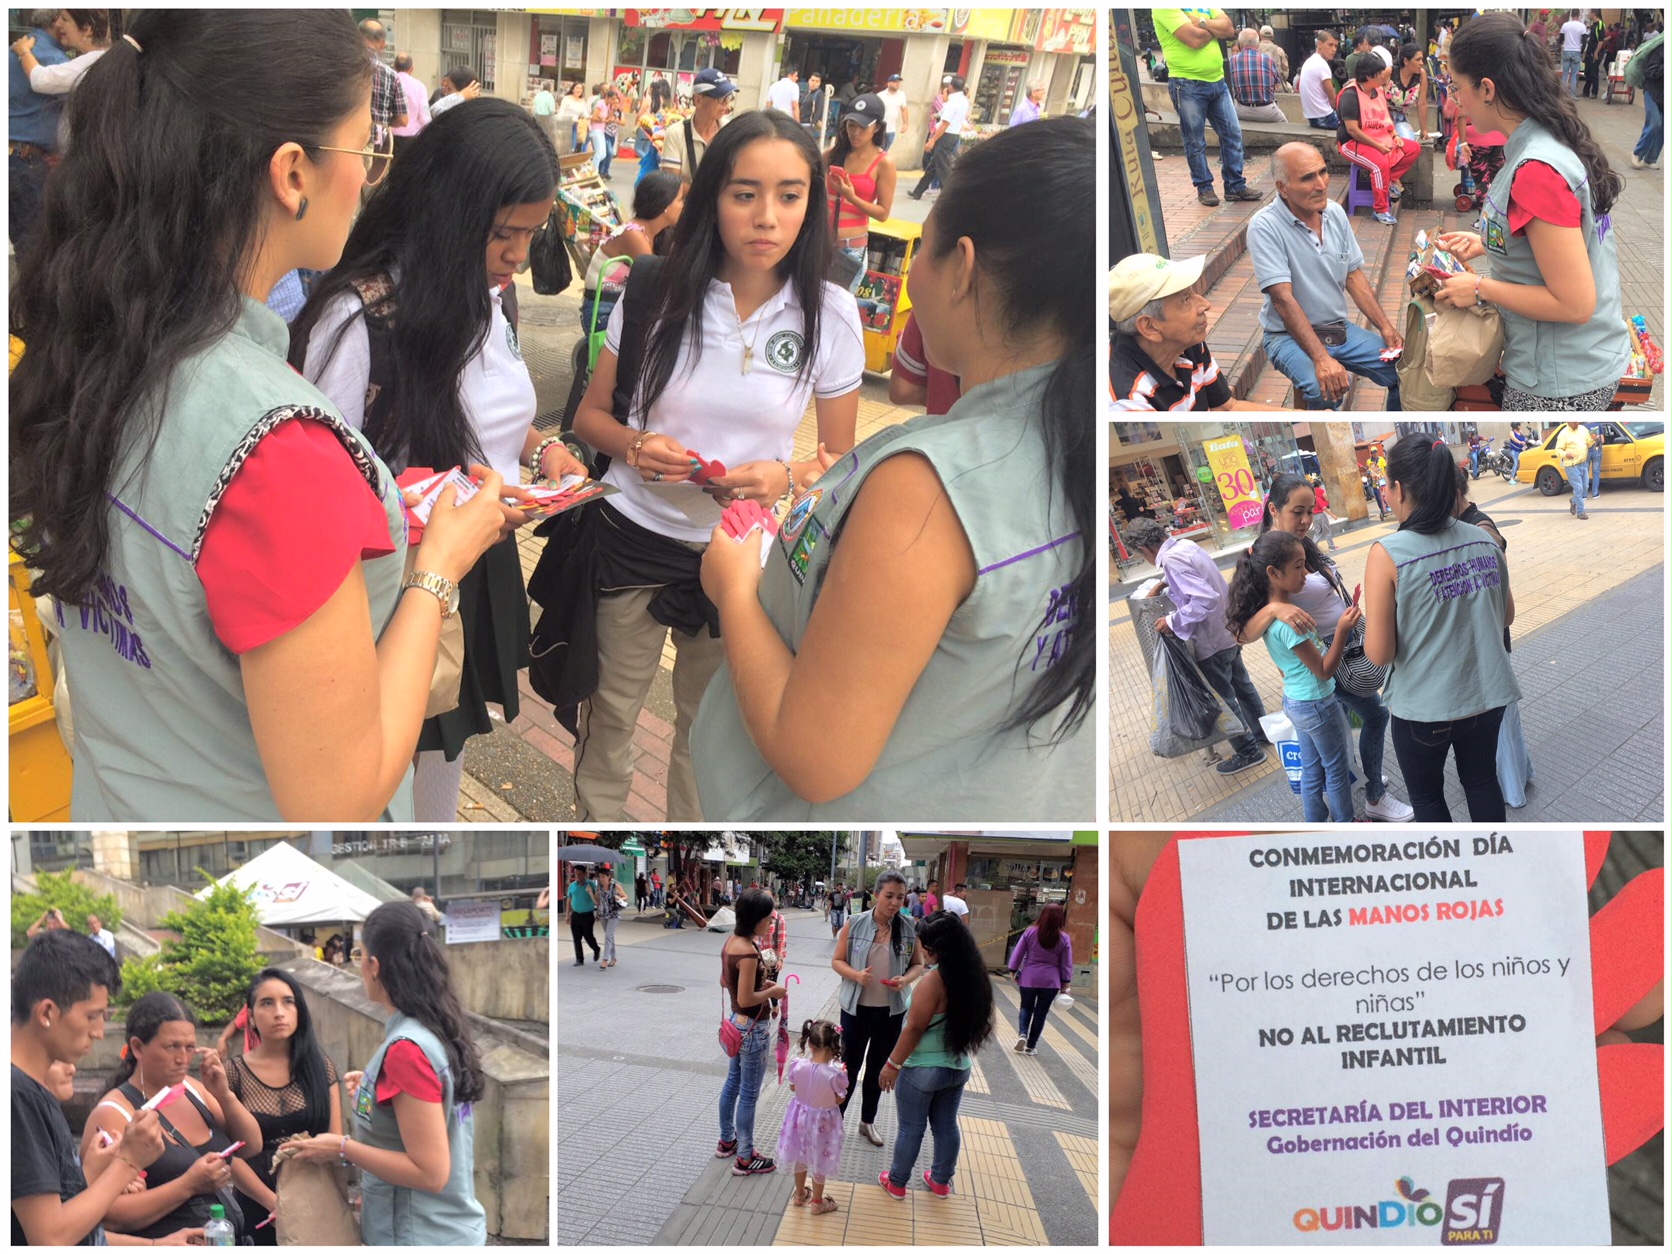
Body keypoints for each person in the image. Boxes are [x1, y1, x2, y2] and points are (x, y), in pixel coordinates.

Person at [10, 11, 510, 823]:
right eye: (365, 150)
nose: (369, 178)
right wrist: (438, 569)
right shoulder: (278, 448)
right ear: (292, 172)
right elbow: (340, 795)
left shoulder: (95, 346)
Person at [693, 119, 1094, 821]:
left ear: (962, 264)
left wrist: (733, 587)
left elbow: (815, 756)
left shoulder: (930, 484)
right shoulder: (1077, 442)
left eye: (928, 241)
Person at [535, 112, 860, 822]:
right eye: (745, 193)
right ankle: (600, 843)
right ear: (713, 196)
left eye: (789, 195)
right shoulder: (655, 288)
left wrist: (787, 476)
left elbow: (841, 461)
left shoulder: (829, 314)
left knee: (708, 731)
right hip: (629, 534)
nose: (766, 218)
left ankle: (688, 852)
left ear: (813, 203)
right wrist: (633, 446)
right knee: (612, 716)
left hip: (739, 552)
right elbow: (588, 419)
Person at [291, 100, 582, 821]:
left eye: (531, 233)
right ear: (447, 212)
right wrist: (432, 511)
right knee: (386, 748)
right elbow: (314, 494)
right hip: (390, 584)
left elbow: (489, 414)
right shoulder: (358, 321)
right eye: (503, 234)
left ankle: (434, 830)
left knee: (445, 737)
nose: (516, 255)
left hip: (470, 559)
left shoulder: (485, 295)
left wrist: (544, 449)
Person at [1433, 13, 1630, 411]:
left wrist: (1477, 289)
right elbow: (1560, 243)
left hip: (1560, 377)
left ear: (1487, 88)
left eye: (1457, 89)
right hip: (1580, 361)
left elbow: (1574, 303)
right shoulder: (1549, 137)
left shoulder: (1536, 169)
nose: (1457, 101)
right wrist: (1490, 242)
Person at [280, 900, 488, 1244]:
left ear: (374, 965)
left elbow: (430, 1172)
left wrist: (342, 1148)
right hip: (444, 1229)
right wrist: (374, 1089)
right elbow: (433, 1107)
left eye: (359, 956)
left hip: (419, 1235)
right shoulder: (434, 1027)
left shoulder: (407, 1048)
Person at [1232, 474, 1414, 821]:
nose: (1306, 520)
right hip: (1327, 656)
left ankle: (1358, 782)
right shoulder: (1269, 561)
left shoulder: (1296, 546)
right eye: (1297, 511)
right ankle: (1371, 796)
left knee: (1334, 743)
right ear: (1273, 509)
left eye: (1310, 511)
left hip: (1331, 654)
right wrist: (1273, 609)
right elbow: (1241, 633)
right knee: (1374, 716)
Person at [1362, 437, 1519, 822]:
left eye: (1387, 484)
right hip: (1486, 696)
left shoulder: (1388, 554)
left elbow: (1379, 654)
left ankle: (1454, 878)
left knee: (1429, 799)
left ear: (1398, 489)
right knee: (1482, 782)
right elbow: (1507, 616)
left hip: (1423, 710)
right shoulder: (1484, 540)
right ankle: (1495, 865)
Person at [11, 932, 189, 1246]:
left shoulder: (29, 1091)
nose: (99, 1032)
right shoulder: (18, 1096)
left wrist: (91, 1172)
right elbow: (49, 1237)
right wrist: (129, 1161)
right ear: (47, 1013)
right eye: (92, 1016)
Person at [83, 993, 264, 1243]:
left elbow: (251, 1145)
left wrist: (224, 1095)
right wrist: (188, 1185)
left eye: (190, 1047)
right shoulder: (114, 1112)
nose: (183, 1059)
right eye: (171, 1047)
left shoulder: (193, 1089)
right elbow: (105, 1213)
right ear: (137, 1047)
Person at [1249, 143, 1404, 409]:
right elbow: (1282, 300)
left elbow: (1353, 277)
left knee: (1405, 374)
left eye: (1323, 172)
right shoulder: (1264, 226)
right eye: (1308, 178)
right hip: (1285, 335)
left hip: (1336, 330)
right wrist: (1321, 359)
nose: (1321, 184)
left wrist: (1385, 326)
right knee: (1323, 390)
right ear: (1282, 188)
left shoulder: (1334, 213)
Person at [1225, 530, 1361, 822]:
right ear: (1274, 572)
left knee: (1312, 769)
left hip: (1296, 701)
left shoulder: (1272, 615)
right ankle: (1345, 827)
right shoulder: (1290, 623)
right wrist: (1342, 630)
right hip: (1318, 703)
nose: (1305, 573)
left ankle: (1314, 825)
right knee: (1336, 769)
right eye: (1299, 566)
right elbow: (1324, 669)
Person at [1126, 516, 1268, 776]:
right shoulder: (1186, 546)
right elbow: (1201, 580)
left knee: (1225, 698)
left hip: (1211, 641)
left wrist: (1171, 620)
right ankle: (1264, 732)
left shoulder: (1171, 559)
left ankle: (1249, 750)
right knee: (1242, 686)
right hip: (1228, 631)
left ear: (1144, 549)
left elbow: (1204, 599)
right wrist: (1166, 583)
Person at [875, 911, 994, 1200]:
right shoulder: (974, 975)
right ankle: (941, 1181)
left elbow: (914, 1028)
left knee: (911, 1129)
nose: (923, 951)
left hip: (922, 1070)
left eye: (925, 946)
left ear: (939, 947)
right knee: (946, 1126)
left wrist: (892, 1064)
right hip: (958, 1066)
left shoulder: (934, 981)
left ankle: (897, 1182)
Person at [223, 969, 341, 1245]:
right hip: (257, 1204)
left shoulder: (321, 1068)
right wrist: (272, 1202)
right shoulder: (233, 1073)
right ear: (250, 1017)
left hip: (316, 1199)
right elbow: (227, 1153)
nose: (279, 1012)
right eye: (267, 1003)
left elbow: (336, 1141)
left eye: (288, 1002)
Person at [1109, 252, 1288, 412]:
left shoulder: (1185, 342)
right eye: (1186, 299)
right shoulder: (1128, 401)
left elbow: (1226, 407)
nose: (1205, 305)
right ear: (1150, 327)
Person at [1452, 468, 1535, 809]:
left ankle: (1512, 789)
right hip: (1484, 636)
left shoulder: (1479, 525)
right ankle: (1515, 777)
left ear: (1456, 492)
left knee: (1498, 723)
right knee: (1501, 721)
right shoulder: (1463, 523)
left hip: (1491, 639)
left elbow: (1493, 544)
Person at [831, 871, 924, 1151]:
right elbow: (837, 961)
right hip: (855, 1011)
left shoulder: (908, 927)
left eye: (900, 897)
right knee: (848, 1067)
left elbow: (918, 964)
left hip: (890, 1013)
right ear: (876, 895)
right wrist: (856, 975)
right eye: (889, 896)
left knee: (877, 1069)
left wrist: (905, 980)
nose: (895, 902)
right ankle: (835, 1121)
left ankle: (867, 1121)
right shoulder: (855, 923)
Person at [1151, 9, 1263, 207]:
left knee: (1232, 133)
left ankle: (1235, 185)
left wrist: (1201, 23)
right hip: (1187, 84)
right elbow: (1194, 40)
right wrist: (1213, 26)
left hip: (1217, 81)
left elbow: (1229, 28)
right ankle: (1205, 187)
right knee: (1194, 140)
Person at [718, 889, 788, 1175]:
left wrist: (752, 985)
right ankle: (745, 1157)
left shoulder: (732, 943)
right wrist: (773, 991)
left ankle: (727, 1141)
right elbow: (747, 999)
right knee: (748, 1094)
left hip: (736, 1023)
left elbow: (725, 982)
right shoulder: (747, 952)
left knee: (733, 1083)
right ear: (756, 919)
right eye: (768, 918)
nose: (771, 923)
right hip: (752, 1028)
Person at [578, 170, 685, 339]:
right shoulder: (634, 235)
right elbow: (656, 284)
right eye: (680, 200)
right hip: (603, 311)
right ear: (665, 205)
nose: (683, 206)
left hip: (617, 306)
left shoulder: (653, 233)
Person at [7, 10, 68, 259]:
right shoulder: (53, 58)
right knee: (36, 247)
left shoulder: (11, 53)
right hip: (27, 162)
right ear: (56, 21)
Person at [825, 92, 895, 294]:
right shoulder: (836, 153)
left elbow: (883, 213)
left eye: (863, 127)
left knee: (837, 312)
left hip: (850, 251)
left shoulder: (884, 163)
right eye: (851, 125)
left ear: (878, 127)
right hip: (822, 244)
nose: (855, 132)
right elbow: (806, 168)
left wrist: (852, 197)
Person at [775, 1019, 847, 1215]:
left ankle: (799, 1195)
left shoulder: (797, 1065)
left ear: (810, 1044)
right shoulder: (836, 1074)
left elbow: (792, 1087)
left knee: (800, 1155)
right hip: (823, 1122)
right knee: (820, 1160)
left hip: (799, 1119)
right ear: (835, 1046)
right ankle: (817, 1202)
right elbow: (840, 1100)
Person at [13, 10, 111, 150]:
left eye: (65, 19)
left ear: (87, 29)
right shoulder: (97, 59)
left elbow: (40, 79)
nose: (58, 24)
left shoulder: (93, 62)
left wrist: (23, 51)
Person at [1337, 56, 1418, 224]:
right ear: (1368, 76)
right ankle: (1380, 210)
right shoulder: (1350, 95)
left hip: (1381, 138)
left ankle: (1387, 181)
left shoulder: (1378, 91)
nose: (1384, 76)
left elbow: (1386, 118)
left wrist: (1395, 135)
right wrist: (1378, 146)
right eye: (1380, 73)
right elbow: (1352, 130)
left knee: (1413, 149)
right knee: (1379, 164)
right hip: (1352, 143)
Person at [1008, 902, 1073, 1055]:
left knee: (1025, 1007)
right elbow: (1066, 963)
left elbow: (1018, 953)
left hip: (1029, 977)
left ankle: (1022, 1034)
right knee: (1041, 1013)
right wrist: (1066, 983)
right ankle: (1031, 1046)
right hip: (1051, 981)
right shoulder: (1064, 938)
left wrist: (1012, 970)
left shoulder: (1030, 932)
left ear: (1042, 914)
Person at [662, 67, 735, 182]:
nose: (727, 105)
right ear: (698, 100)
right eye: (721, 99)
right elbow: (670, 187)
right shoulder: (675, 134)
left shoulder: (730, 131)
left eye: (729, 98)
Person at [907, 74, 968, 200]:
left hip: (946, 135)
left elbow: (945, 124)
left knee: (942, 168)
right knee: (933, 166)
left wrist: (932, 140)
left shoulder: (953, 102)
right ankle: (918, 191)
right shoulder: (964, 100)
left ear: (951, 87)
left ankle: (947, 197)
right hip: (953, 135)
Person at [1229, 30, 1286, 124]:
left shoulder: (1232, 61)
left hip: (1241, 110)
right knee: (1286, 126)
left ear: (1240, 44)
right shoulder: (1268, 60)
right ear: (1257, 44)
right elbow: (1277, 85)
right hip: (1267, 111)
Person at [1627, 27, 1663, 169]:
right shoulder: (1660, 49)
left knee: (1664, 128)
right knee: (1655, 123)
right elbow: (1650, 71)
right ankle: (1637, 153)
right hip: (1653, 91)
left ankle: (1650, 159)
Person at [1298, 31, 1343, 129]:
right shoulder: (1322, 64)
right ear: (1319, 44)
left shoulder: (1310, 61)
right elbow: (1333, 101)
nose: (1334, 49)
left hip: (1313, 118)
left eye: (1335, 46)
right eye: (1330, 45)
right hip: (1325, 118)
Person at [1387, 43, 1428, 142]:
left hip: (1401, 119)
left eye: (1422, 59)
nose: (1421, 63)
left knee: (1408, 141)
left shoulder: (1421, 75)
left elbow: (1422, 104)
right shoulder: (1389, 72)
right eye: (1417, 59)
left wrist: (1424, 130)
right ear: (1406, 61)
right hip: (1384, 119)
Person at [391, 54, 431, 157]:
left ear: (394, 67)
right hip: (411, 138)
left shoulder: (389, 83)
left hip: (389, 136)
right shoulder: (420, 86)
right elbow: (424, 117)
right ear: (411, 69)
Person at [1555, 419, 1596, 518]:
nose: (1577, 423)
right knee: (1579, 488)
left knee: (1585, 487)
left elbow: (1589, 443)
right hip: (1572, 465)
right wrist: (1565, 454)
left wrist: (1594, 438)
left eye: (1578, 421)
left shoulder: (1583, 429)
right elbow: (1558, 450)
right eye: (1574, 421)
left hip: (1583, 463)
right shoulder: (1563, 434)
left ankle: (1574, 501)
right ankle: (1581, 512)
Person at [594, 864, 628, 969]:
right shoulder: (599, 887)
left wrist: (619, 898)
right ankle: (613, 958)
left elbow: (626, 896)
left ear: (609, 877)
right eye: (600, 877)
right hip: (603, 914)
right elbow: (597, 901)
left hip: (614, 914)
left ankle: (605, 959)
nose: (601, 879)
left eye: (603, 877)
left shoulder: (615, 886)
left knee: (608, 935)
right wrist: (591, 893)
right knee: (610, 936)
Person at [566, 865, 601, 966]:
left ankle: (596, 949)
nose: (577, 876)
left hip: (588, 915)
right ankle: (579, 959)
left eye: (580, 874)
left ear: (585, 874)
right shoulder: (572, 886)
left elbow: (597, 900)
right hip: (575, 915)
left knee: (588, 936)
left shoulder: (590, 885)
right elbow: (568, 901)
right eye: (575, 874)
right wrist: (567, 915)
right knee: (576, 938)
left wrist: (591, 892)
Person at [1560, 10, 1588, 95]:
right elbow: (1585, 40)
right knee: (1574, 75)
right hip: (1576, 51)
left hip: (1567, 50)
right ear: (1579, 15)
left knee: (1565, 74)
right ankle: (1572, 94)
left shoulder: (1565, 25)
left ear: (1571, 15)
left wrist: (1562, 45)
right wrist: (1582, 51)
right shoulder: (1582, 26)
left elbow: (1561, 38)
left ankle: (1563, 94)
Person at [556, 79, 588, 153]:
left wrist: (594, 116)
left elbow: (585, 114)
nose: (579, 90)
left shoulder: (582, 101)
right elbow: (561, 112)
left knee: (572, 149)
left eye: (581, 88)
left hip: (574, 126)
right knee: (563, 148)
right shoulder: (567, 99)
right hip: (564, 126)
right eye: (577, 88)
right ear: (573, 89)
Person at [879, 74, 908, 150]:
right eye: (895, 82)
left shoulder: (901, 95)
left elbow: (904, 109)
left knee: (885, 151)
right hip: (880, 129)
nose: (897, 84)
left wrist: (905, 123)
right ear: (889, 83)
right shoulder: (880, 95)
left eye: (899, 82)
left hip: (891, 130)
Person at [530, 77, 558, 150]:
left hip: (537, 116)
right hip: (546, 118)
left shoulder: (538, 95)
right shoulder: (550, 96)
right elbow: (552, 110)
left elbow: (534, 107)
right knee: (546, 134)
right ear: (550, 88)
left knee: (538, 133)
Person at [800, 71, 829, 139]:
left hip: (808, 125)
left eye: (816, 81)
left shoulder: (819, 94)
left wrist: (812, 125)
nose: (814, 83)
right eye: (812, 80)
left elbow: (819, 110)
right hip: (801, 123)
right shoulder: (807, 92)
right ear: (809, 81)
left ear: (819, 83)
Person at [1585, 420, 1604, 499]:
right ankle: (1595, 493)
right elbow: (1602, 441)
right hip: (1597, 451)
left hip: (1586, 452)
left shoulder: (1583, 427)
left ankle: (1583, 495)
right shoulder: (1599, 425)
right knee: (1596, 473)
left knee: (1584, 473)